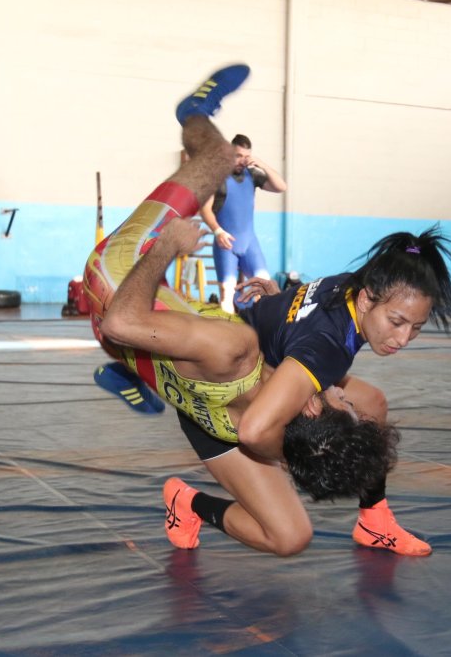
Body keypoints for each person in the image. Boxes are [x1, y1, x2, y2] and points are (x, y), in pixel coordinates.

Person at [84, 64, 399, 557]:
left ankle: (193, 115)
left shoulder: (237, 351)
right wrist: (279, 304)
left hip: (115, 279)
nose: (347, 396)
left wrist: (165, 248)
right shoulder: (287, 442)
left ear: (313, 405)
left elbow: (119, 322)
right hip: (156, 347)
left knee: (218, 154)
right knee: (292, 536)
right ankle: (133, 376)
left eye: (344, 405)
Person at [229, 226, 451, 556]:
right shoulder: (328, 348)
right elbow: (254, 431)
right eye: (397, 321)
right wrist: (300, 460)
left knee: (372, 403)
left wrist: (277, 307)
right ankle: (189, 503)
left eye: (416, 327)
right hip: (224, 385)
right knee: (288, 535)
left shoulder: (348, 284)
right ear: (366, 298)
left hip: (259, 354)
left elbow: (306, 321)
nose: (403, 339)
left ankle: (374, 520)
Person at [197, 133, 286, 313]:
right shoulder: (217, 178)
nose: (243, 161)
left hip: (249, 243)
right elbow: (204, 209)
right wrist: (217, 231)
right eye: (238, 156)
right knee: (227, 292)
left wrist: (261, 164)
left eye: (247, 156)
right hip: (226, 243)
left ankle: (260, 329)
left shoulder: (252, 176)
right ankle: (226, 333)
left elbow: (281, 187)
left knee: (264, 285)